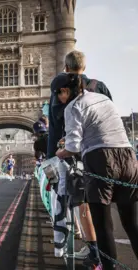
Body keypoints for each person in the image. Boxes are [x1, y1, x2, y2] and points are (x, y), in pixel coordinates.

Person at [55, 73, 138, 269]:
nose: (58, 99)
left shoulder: (73, 107)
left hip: (100, 160)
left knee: (103, 226)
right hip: (128, 157)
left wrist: (60, 152)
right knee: (132, 224)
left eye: (57, 94)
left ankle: (109, 267)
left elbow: (73, 146)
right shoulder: (103, 98)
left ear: (65, 91)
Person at [47, 50, 109, 265]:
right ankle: (101, 254)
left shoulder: (60, 89)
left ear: (66, 66)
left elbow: (55, 129)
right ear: (84, 66)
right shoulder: (99, 86)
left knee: (78, 202)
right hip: (102, 151)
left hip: (72, 155)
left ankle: (91, 252)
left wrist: (50, 158)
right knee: (101, 203)